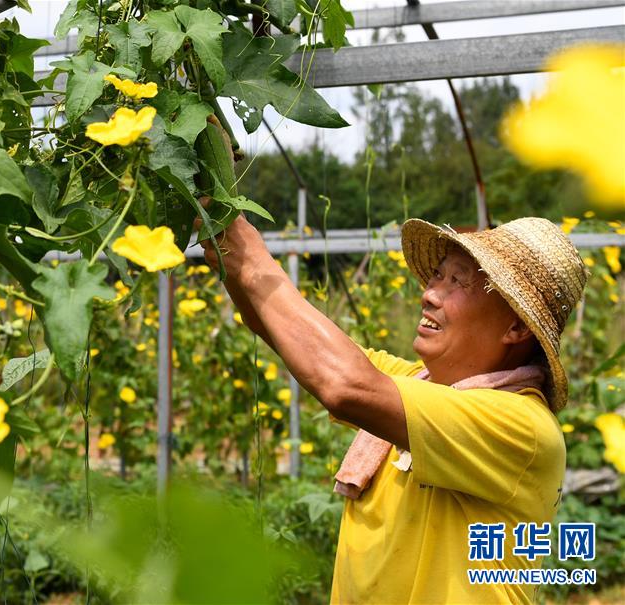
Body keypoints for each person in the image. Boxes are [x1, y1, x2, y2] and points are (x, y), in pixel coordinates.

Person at [197, 209, 587, 604]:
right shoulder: (421, 385)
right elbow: (284, 331)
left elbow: (345, 384)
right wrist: (220, 219)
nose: (430, 294)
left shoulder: (520, 424)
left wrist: (249, 254)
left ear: (516, 328)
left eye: (458, 282)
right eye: (438, 275)